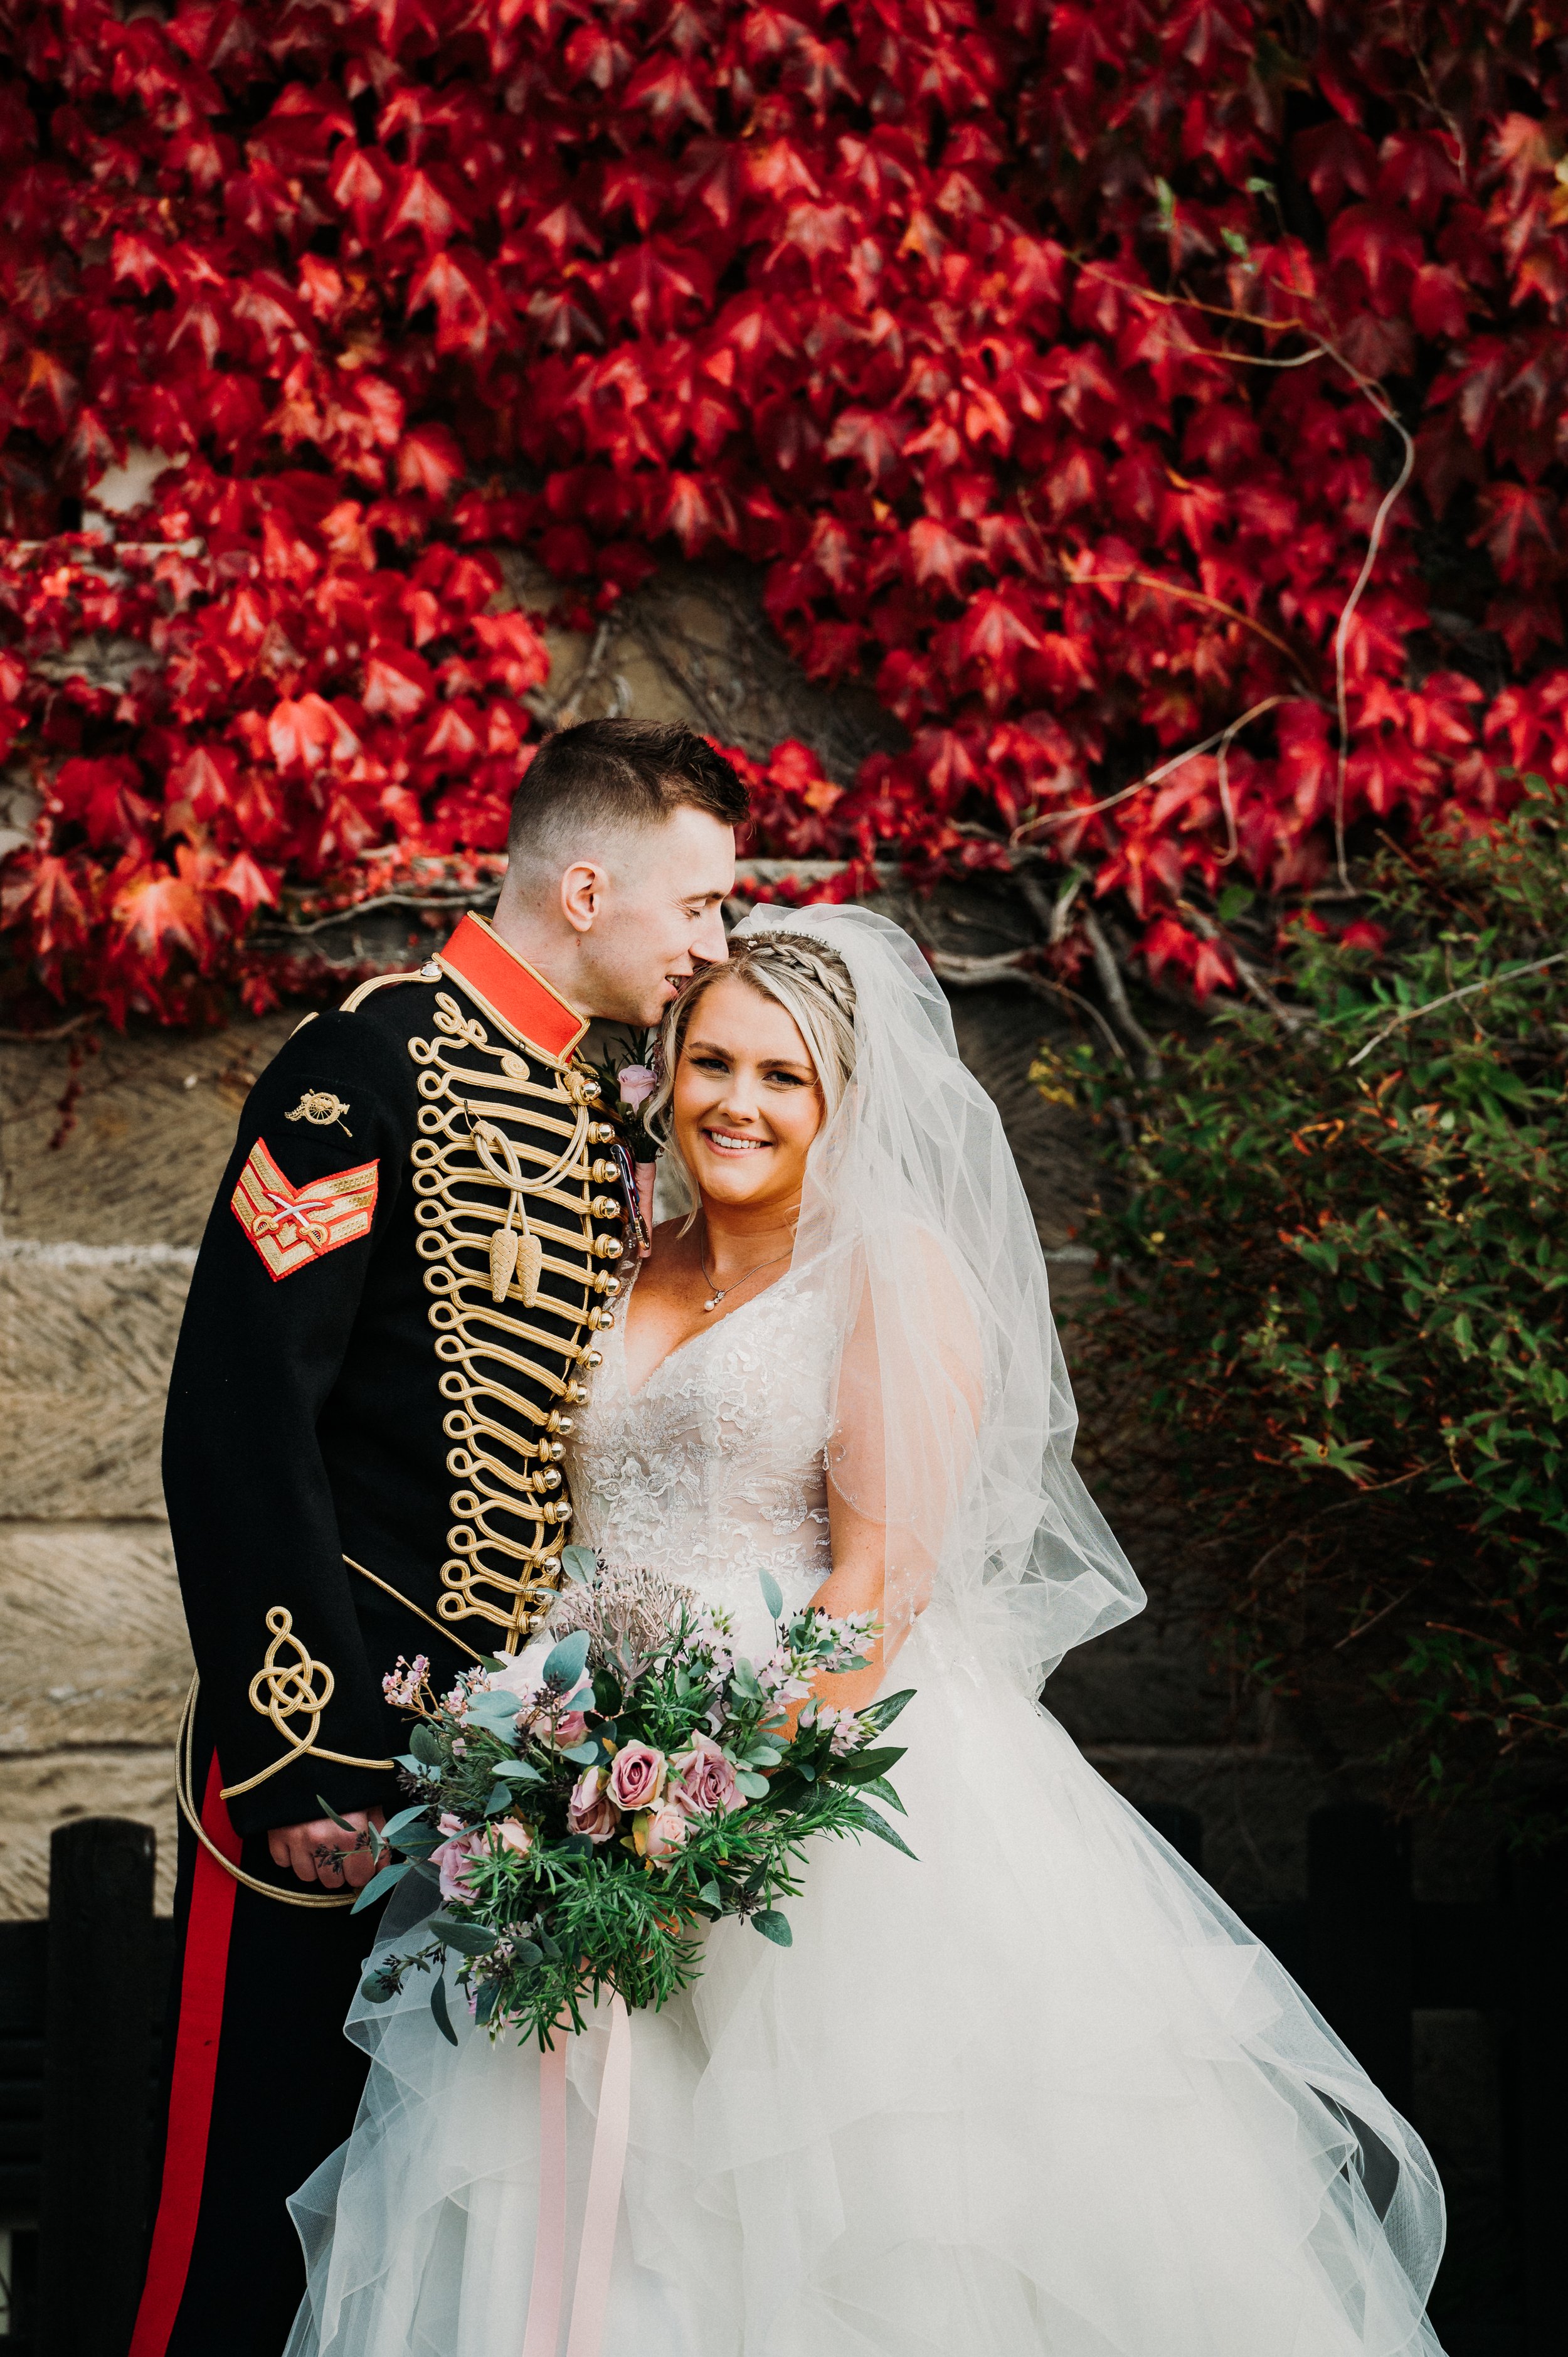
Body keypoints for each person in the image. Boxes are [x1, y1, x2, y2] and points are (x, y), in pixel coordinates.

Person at [283, 906, 1448, 2357]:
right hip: (578, 1756)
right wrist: (563, 1783)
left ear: (839, 1102)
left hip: (798, 1777)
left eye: (783, 1077)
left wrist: (706, 1815)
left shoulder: (888, 1279)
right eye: (711, 1062)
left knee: (847, 2217)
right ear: (662, 1073)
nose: (738, 1103)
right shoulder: (615, 1261)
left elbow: (879, 1585)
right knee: (575, 2199)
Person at [128, 719, 750, 2357]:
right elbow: (239, 1420)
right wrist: (306, 1756)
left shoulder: (605, 1104)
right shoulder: (365, 1065)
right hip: (331, 1743)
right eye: (696, 904)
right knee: (253, 2213)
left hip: (517, 1770)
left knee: (440, 2240)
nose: (713, 946)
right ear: (588, 878)